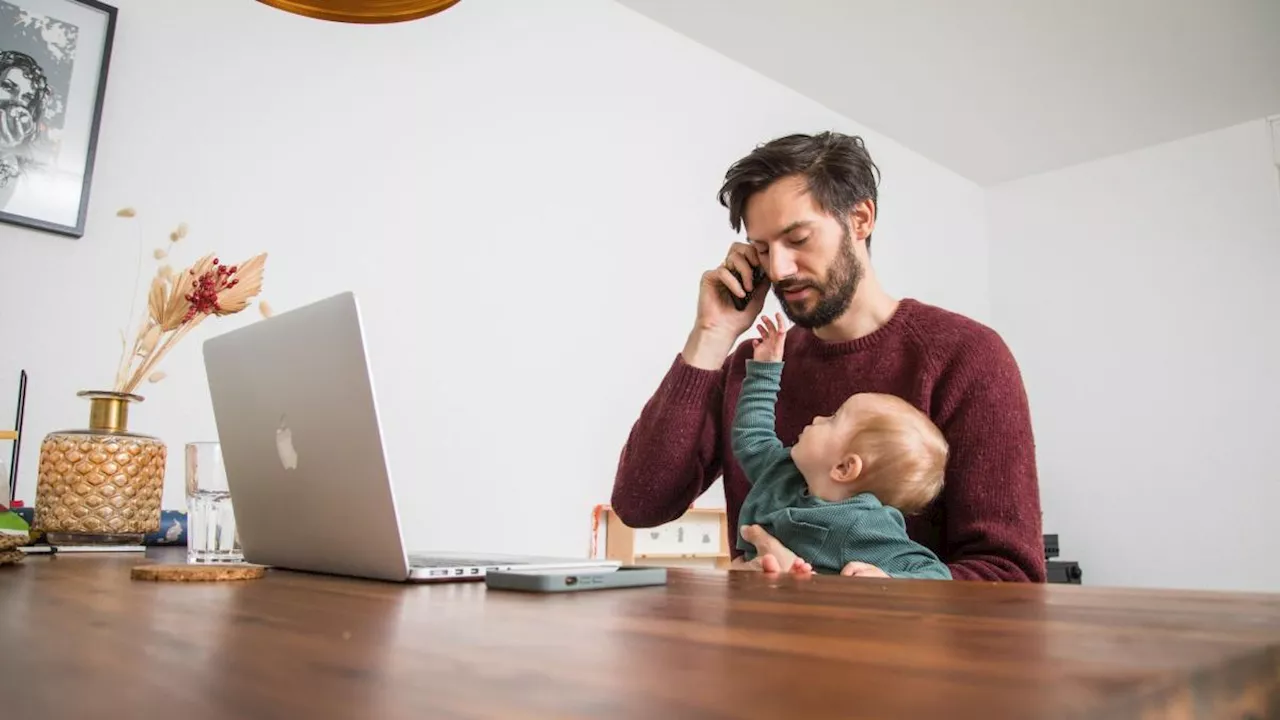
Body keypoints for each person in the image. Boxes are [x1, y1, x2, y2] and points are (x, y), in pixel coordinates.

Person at [611, 131, 1045, 582]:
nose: (778, 270)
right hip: (758, 647)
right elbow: (641, 504)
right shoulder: (753, 365)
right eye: (762, 250)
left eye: (797, 238)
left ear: (860, 219)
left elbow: (1011, 576)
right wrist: (711, 335)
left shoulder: (967, 356)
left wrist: (831, 591)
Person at [732, 312, 951, 579]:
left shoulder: (861, 525)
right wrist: (765, 371)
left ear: (845, 467)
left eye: (833, 419)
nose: (818, 418)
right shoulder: (784, 473)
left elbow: (936, 574)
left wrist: (887, 582)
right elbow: (751, 437)